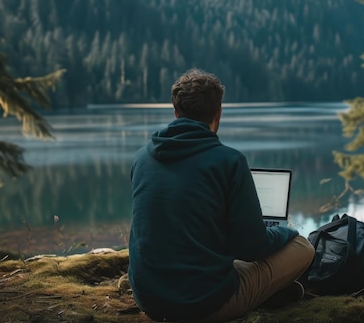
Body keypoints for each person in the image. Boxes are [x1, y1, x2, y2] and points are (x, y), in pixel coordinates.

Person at [128, 68, 315, 322]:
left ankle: (268, 293)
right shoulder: (229, 161)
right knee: (303, 247)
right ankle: (264, 294)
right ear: (218, 114)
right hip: (204, 303)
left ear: (175, 113)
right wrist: (287, 232)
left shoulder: (142, 158)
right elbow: (252, 248)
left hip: (149, 298)